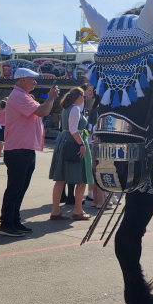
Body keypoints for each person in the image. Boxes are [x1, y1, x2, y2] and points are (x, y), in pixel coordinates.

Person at [0, 68, 58, 237]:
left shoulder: (21, 96)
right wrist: (51, 97)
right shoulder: (18, 96)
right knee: (15, 189)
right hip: (19, 149)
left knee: (19, 188)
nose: (35, 82)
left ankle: (14, 221)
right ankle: (6, 224)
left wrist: (50, 99)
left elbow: (42, 110)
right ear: (22, 79)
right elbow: (42, 111)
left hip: (24, 148)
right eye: (32, 79)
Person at [48, 87, 93, 220]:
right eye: (83, 97)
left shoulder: (66, 109)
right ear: (79, 97)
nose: (84, 99)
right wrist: (82, 144)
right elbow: (74, 129)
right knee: (81, 179)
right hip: (74, 144)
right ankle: (78, 211)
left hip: (65, 143)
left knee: (60, 179)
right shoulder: (74, 109)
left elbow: (68, 128)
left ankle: (55, 210)